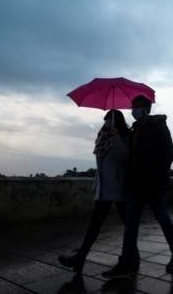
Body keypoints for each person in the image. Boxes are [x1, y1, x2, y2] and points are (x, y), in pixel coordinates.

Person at [102, 95, 173, 279]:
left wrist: (158, 176)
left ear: (146, 109)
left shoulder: (158, 126)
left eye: (136, 107)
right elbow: (130, 156)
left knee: (162, 219)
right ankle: (125, 263)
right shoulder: (135, 129)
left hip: (153, 184)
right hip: (135, 184)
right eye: (133, 107)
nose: (133, 110)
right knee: (130, 225)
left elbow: (169, 153)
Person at [58, 109, 132, 273]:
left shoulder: (125, 137)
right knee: (95, 226)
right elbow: (102, 167)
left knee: (128, 227)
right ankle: (80, 258)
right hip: (104, 190)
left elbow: (124, 158)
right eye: (106, 119)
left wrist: (115, 137)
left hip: (119, 189)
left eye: (110, 120)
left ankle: (132, 258)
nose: (106, 122)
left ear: (117, 122)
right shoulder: (102, 138)